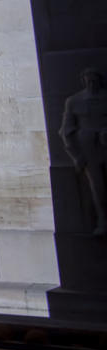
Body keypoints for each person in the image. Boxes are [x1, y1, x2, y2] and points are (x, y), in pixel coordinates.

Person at [60, 67, 107, 236]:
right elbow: (66, 130)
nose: (91, 83)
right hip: (89, 150)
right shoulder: (74, 101)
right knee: (97, 188)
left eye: (94, 80)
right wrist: (76, 155)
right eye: (88, 80)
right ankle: (102, 220)